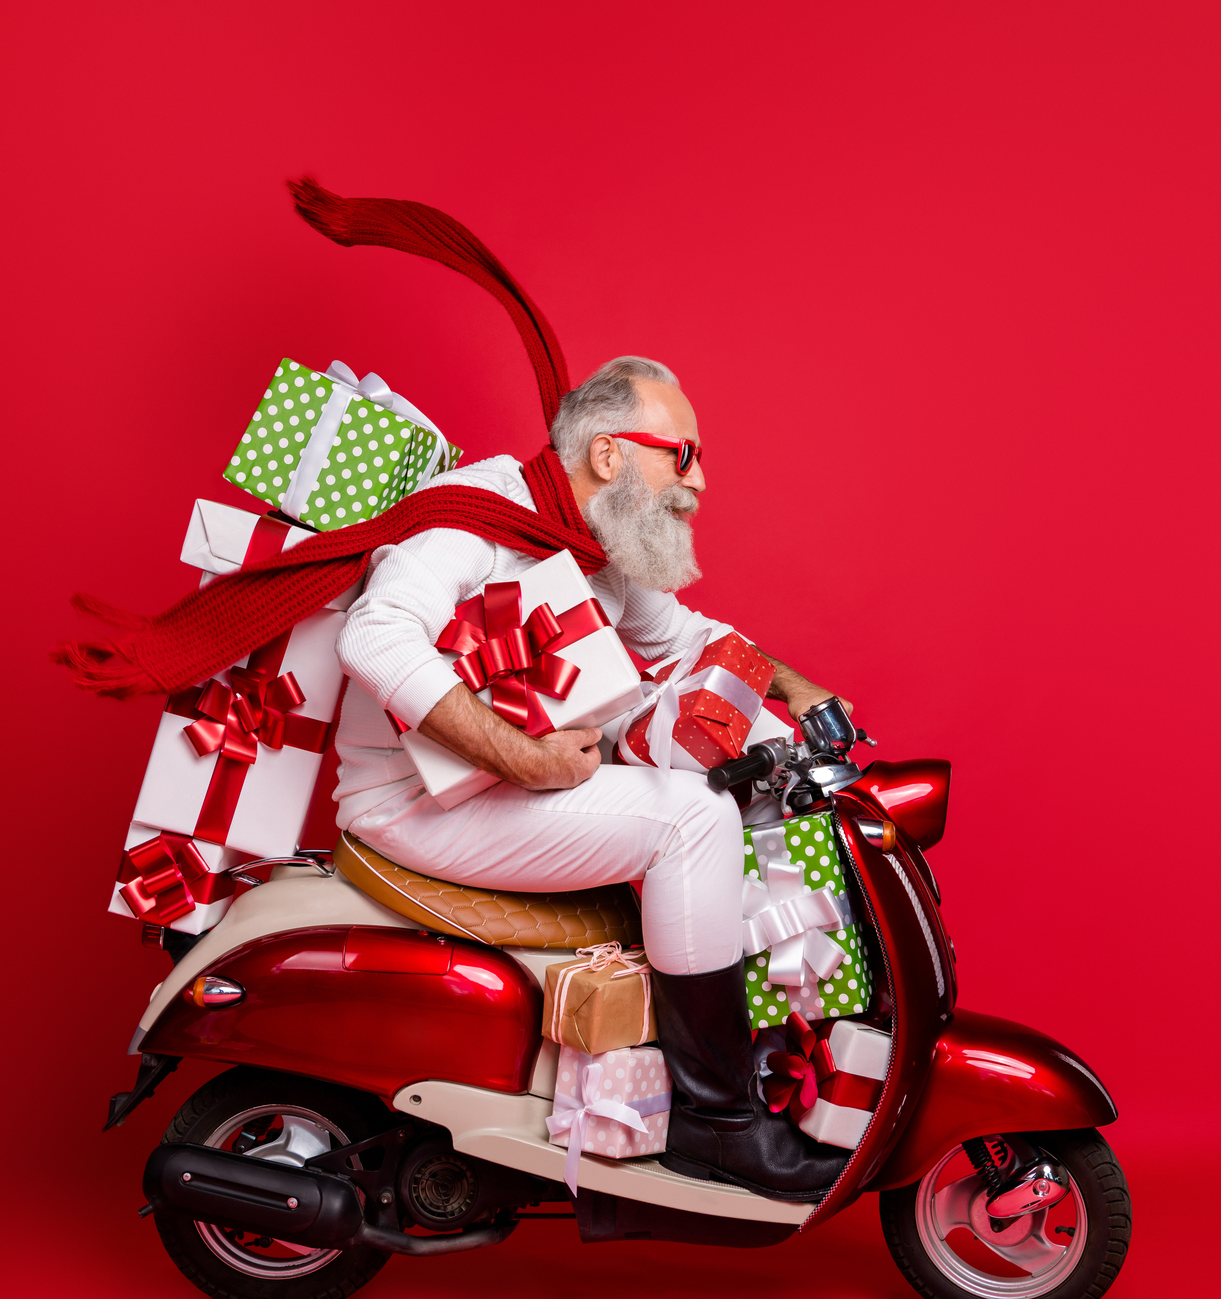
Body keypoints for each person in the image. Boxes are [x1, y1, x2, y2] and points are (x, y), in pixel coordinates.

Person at [332, 356, 853, 1201]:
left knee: (740, 789)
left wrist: (802, 690)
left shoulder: (591, 538)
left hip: (509, 791)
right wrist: (527, 758)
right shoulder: (472, 520)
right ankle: (716, 1123)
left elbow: (685, 639)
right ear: (609, 456)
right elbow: (375, 640)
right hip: (414, 803)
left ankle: (749, 1067)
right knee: (692, 818)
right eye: (682, 456)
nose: (700, 481)